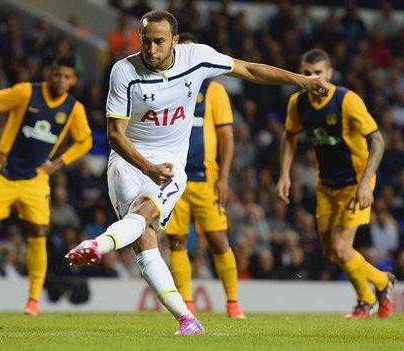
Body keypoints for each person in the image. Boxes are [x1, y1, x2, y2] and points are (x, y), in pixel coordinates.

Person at [66, 10, 329, 336]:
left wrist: (301, 80)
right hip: (128, 160)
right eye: (145, 41)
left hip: (172, 163)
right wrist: (147, 167)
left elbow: (248, 69)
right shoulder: (124, 71)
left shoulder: (197, 58)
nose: (150, 49)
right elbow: (115, 136)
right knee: (144, 239)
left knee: (143, 215)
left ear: (175, 41)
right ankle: (186, 317)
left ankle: (99, 246)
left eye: (159, 42)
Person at [0, 56, 93, 316]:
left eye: (67, 77)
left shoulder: (74, 109)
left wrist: (58, 164)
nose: (61, 80)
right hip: (3, 172)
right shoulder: (26, 92)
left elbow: (85, 141)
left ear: (73, 81)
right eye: (58, 75)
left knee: (38, 233)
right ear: (51, 74)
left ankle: (33, 300)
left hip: (36, 178)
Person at [277, 48, 396, 320]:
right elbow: (289, 136)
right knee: (332, 253)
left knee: (342, 248)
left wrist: (367, 182)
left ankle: (366, 299)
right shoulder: (297, 103)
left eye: (318, 72)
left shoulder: (347, 100)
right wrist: (285, 173)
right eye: (307, 73)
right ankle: (378, 284)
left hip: (355, 183)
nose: (312, 78)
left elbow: (377, 141)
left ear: (329, 73)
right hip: (326, 184)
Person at [163, 32, 245, 319]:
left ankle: (233, 303)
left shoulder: (214, 91)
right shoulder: (166, 87)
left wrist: (224, 177)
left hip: (206, 180)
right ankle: (186, 303)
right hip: (173, 180)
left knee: (218, 240)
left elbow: (226, 136)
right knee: (177, 242)